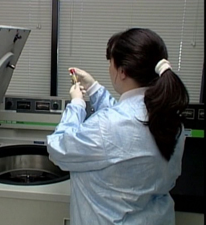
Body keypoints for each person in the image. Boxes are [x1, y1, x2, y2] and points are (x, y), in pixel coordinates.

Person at [46, 28, 189, 225]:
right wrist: (94, 88)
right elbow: (125, 125)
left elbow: (59, 148)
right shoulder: (171, 119)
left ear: (122, 71)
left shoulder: (107, 126)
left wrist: (77, 105)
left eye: (110, 62)